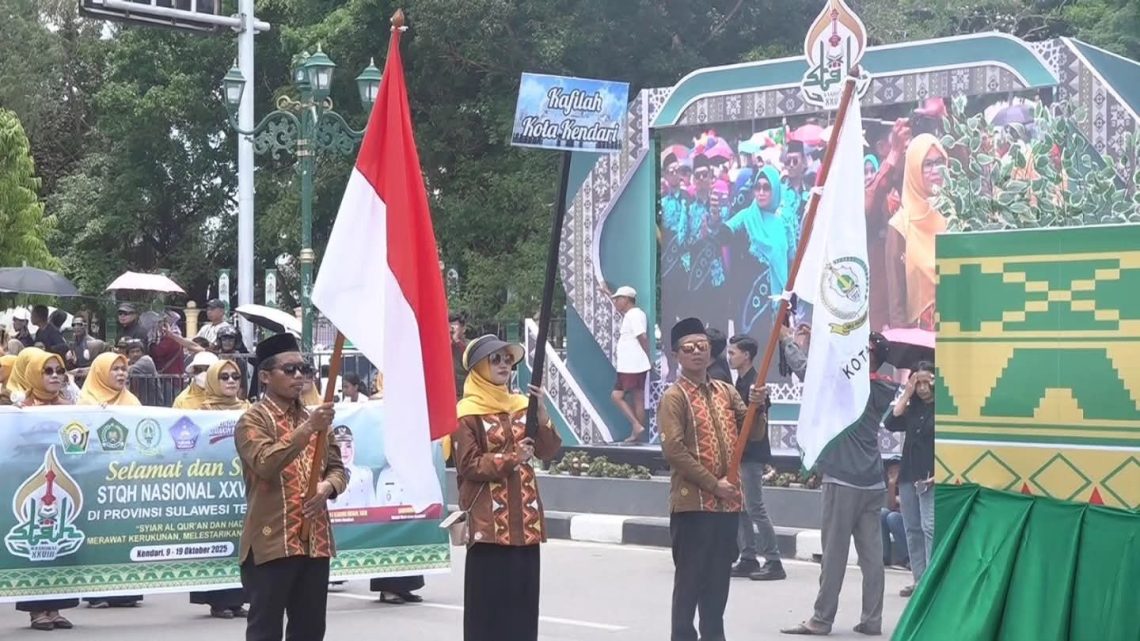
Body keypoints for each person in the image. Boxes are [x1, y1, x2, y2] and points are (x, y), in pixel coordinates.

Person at [782, 332, 897, 637]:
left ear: (867, 355)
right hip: (873, 481)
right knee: (872, 557)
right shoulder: (882, 387)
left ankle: (822, 618)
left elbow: (810, 372)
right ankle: (872, 619)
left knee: (833, 554)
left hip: (844, 479)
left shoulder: (853, 385)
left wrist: (788, 342)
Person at [659, 317, 766, 641]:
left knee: (718, 586)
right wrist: (713, 483)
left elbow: (753, 435)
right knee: (689, 584)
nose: (697, 353)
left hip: (726, 507)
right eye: (689, 348)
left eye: (702, 347)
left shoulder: (725, 391)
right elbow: (674, 451)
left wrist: (757, 409)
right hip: (693, 506)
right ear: (677, 354)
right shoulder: (675, 397)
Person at [236, 333, 347, 641]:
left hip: (315, 541)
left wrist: (327, 486)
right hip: (272, 541)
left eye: (304, 369)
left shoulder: (316, 418)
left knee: (310, 630)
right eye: (289, 370)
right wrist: (307, 429)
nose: (299, 376)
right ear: (265, 376)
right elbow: (265, 463)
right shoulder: (252, 421)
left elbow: (338, 468)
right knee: (265, 630)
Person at [454, 334, 561, 641]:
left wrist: (541, 415)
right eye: (495, 359)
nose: (504, 365)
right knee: (488, 614)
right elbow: (469, 465)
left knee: (523, 612)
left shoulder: (521, 406)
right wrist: (513, 458)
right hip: (489, 528)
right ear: (478, 368)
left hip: (524, 524)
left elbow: (549, 450)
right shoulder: (467, 413)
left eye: (508, 359)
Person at [4, 348, 81, 630]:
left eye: (59, 371)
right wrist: (17, 415)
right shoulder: (18, 408)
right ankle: (36, 611)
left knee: (62, 547)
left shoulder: (70, 407)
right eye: (47, 371)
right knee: (35, 548)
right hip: (31, 492)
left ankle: (56, 607)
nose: (55, 377)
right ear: (34, 374)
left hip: (64, 490)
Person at [189, 359, 250, 619]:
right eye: (223, 377)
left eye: (235, 376)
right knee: (216, 543)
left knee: (244, 545)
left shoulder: (250, 410)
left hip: (243, 487)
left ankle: (238, 599)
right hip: (213, 489)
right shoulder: (201, 413)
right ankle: (218, 601)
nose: (231, 381)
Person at [726, 334, 785, 582]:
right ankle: (748, 557)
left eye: (733, 353)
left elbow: (760, 414)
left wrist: (759, 402)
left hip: (751, 454)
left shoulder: (755, 383)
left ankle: (774, 561)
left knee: (755, 507)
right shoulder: (741, 381)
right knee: (741, 507)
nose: (729, 357)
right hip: (740, 453)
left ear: (746, 356)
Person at [885, 361, 936, 597]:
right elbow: (891, 421)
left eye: (928, 382)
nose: (923, 388)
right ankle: (918, 580)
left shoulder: (943, 408)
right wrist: (907, 392)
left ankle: (931, 581)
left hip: (930, 476)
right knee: (912, 528)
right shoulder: (912, 406)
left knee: (929, 528)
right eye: (919, 382)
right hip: (909, 474)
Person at [887, 134, 948, 330]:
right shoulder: (900, 225)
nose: (935, 170)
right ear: (913, 169)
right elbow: (896, 302)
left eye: (940, 162)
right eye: (927, 164)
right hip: (920, 340)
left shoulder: (955, 215)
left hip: (959, 332)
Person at [608, 285, 651, 443]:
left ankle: (636, 426)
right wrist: (608, 293)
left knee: (616, 396)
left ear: (626, 299)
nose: (616, 302)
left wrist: (647, 356)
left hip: (632, 364)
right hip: (632, 365)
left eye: (618, 299)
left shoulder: (633, 315)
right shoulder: (632, 314)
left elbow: (642, 337)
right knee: (637, 398)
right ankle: (638, 434)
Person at [880, 460, 909, 570]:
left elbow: (909, 507)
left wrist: (901, 501)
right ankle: (883, 556)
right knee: (882, 513)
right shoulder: (893, 484)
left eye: (896, 471)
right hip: (899, 518)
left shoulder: (908, 481)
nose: (893, 474)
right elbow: (891, 507)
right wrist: (891, 484)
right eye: (890, 472)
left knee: (893, 518)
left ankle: (908, 558)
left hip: (911, 520)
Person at [449, 312, 469, 400]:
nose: (451, 329)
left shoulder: (469, 346)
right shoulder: (444, 347)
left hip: (464, 396)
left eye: (454, 326)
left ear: (463, 329)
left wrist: (456, 341)